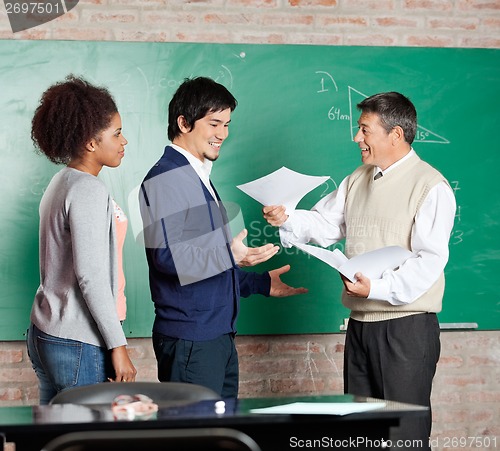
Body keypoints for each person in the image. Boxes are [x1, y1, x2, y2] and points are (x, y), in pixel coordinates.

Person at [263, 92, 456, 448]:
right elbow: (325, 223)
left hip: (406, 328)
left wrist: (377, 289)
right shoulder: (358, 177)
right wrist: (287, 217)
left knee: (403, 437)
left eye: (364, 130)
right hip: (361, 326)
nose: (357, 138)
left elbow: (429, 260)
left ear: (395, 135)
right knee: (359, 435)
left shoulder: (430, 186)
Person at [139, 76, 307, 398]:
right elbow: (168, 258)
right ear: (184, 122)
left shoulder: (196, 176)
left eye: (227, 124)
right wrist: (232, 255)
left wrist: (259, 283)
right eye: (215, 123)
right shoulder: (168, 178)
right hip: (192, 341)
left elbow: (206, 260)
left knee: (219, 436)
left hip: (215, 337)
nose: (223, 134)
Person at [27, 75, 137, 405]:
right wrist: (118, 347)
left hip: (49, 331)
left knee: (55, 434)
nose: (124, 141)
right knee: (85, 437)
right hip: (78, 339)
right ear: (91, 142)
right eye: (116, 133)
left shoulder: (62, 181)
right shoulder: (87, 189)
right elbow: (90, 276)